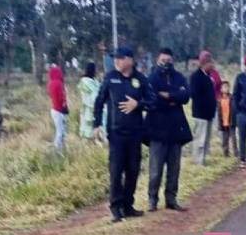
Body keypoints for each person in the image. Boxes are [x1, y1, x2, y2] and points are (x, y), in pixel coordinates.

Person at [93, 47, 156, 223]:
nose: (116, 62)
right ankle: (116, 208)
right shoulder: (110, 77)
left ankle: (128, 206)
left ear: (130, 60)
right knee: (115, 171)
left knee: (133, 171)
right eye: (115, 59)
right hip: (116, 133)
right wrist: (96, 124)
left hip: (135, 133)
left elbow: (152, 101)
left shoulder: (140, 79)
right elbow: (99, 101)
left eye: (120, 58)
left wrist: (138, 104)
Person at [144, 48, 192, 212]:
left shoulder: (179, 77)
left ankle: (171, 199)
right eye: (163, 60)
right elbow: (152, 100)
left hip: (175, 131)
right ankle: (152, 200)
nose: (166, 63)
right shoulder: (151, 78)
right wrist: (174, 97)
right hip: (157, 131)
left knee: (174, 169)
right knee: (156, 170)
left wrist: (168, 95)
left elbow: (185, 96)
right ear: (158, 59)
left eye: (169, 60)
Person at [190, 50, 218, 166]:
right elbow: (195, 95)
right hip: (200, 113)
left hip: (209, 114)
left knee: (206, 139)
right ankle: (198, 161)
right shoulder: (196, 77)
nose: (211, 65)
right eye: (209, 63)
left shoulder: (209, 77)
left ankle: (203, 159)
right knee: (200, 139)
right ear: (203, 64)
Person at [77, 62, 105, 139]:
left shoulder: (94, 81)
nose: (97, 71)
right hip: (89, 106)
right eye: (95, 69)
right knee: (88, 125)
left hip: (96, 106)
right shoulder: (85, 81)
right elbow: (94, 93)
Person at [47, 66, 69, 153]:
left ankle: (61, 150)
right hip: (60, 110)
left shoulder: (51, 83)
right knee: (61, 132)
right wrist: (65, 106)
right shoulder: (59, 83)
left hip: (54, 110)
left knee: (60, 130)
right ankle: (57, 150)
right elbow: (61, 98)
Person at [217, 81, 238, 158]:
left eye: (227, 87)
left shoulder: (232, 98)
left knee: (233, 138)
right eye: (224, 87)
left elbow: (235, 110)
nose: (226, 88)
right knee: (225, 139)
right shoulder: (219, 100)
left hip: (231, 121)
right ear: (221, 89)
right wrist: (219, 123)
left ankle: (236, 153)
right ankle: (226, 154)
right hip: (223, 122)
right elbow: (218, 113)